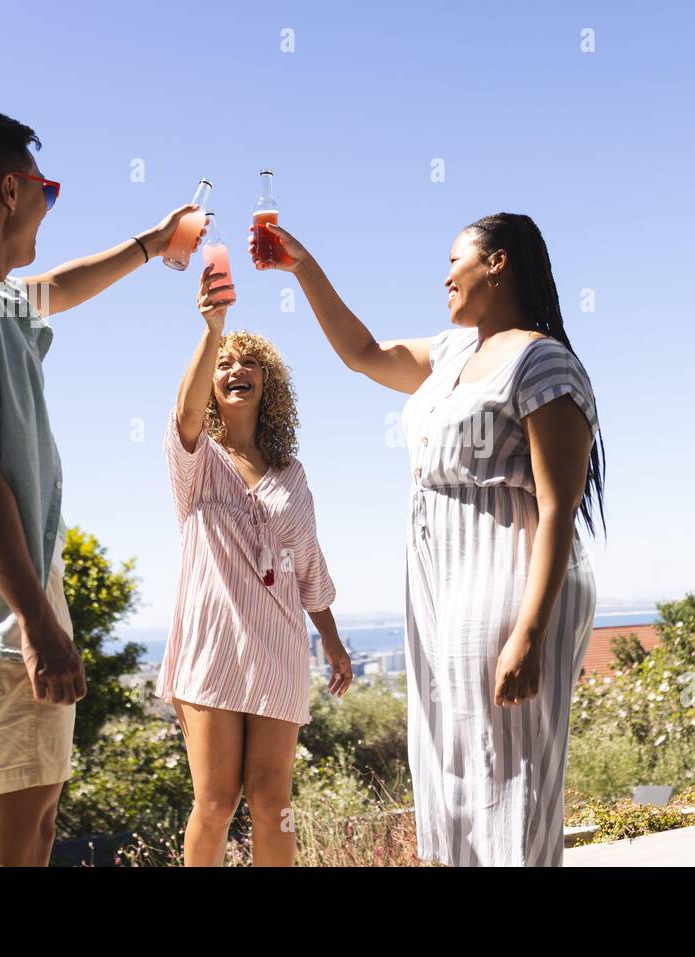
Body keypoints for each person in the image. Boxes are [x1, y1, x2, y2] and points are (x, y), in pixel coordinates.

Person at [0, 105, 205, 866]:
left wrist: (153, 245)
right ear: (13, 190)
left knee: (33, 828)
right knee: (16, 839)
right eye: (49, 192)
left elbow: (56, 286)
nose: (51, 210)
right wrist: (35, 621)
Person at [249, 211, 605, 866]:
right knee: (449, 766)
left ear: (496, 263)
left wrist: (528, 634)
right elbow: (363, 353)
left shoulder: (540, 362)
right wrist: (302, 265)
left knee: (506, 771)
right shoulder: (451, 353)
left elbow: (558, 506)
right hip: (440, 583)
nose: (444, 275)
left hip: (505, 576)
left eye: (453, 260)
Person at [156, 263, 353, 866]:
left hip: (278, 647)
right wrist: (212, 330)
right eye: (224, 364)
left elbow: (309, 566)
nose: (234, 369)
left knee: (273, 802)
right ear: (211, 381)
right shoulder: (195, 461)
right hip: (211, 648)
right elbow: (185, 416)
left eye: (247, 363)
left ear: (268, 383)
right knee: (214, 803)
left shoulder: (292, 475)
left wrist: (334, 642)